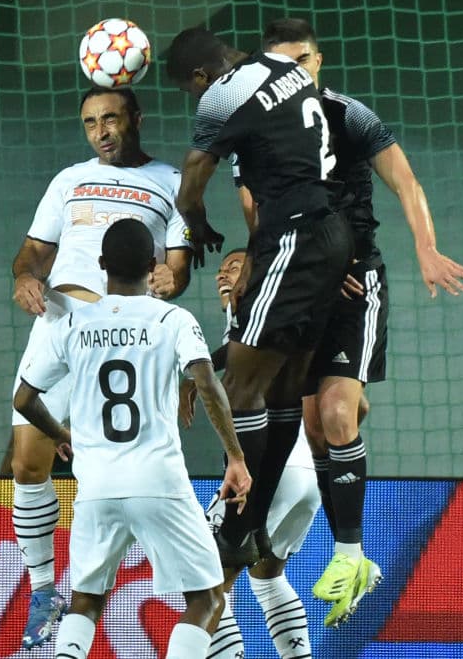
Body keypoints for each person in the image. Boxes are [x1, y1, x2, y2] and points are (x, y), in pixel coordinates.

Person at [256, 18, 463, 627]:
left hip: (358, 283)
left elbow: (405, 181)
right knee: (317, 422)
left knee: (332, 416)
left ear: (318, 62)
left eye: (303, 61)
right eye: (281, 64)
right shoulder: (260, 128)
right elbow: (254, 205)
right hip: (303, 286)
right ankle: (350, 417)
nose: (294, 73)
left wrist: (426, 249)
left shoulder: (349, 115)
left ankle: (352, 557)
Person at [0, 86, 193, 648]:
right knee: (27, 464)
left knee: (122, 473)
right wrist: (25, 278)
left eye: (111, 118)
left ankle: (187, 597)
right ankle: (43, 591)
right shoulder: (68, 180)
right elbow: (33, 251)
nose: (101, 131)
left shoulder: (172, 183)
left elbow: (177, 266)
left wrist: (170, 281)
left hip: (123, 336)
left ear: (136, 117)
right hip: (59, 323)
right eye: (90, 122)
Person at [13, 219, 251, 658]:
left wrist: (62, 434)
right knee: (207, 598)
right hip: (158, 482)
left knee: (86, 602)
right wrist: (235, 456)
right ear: (153, 264)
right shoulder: (172, 318)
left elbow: (25, 398)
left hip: (96, 487)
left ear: (102, 265)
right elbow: (207, 382)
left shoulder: (72, 324)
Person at [164, 27, 355, 575]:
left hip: (293, 234)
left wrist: (195, 225)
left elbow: (193, 179)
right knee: (286, 385)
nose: (194, 99)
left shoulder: (223, 91)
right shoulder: (288, 71)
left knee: (243, 382)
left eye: (189, 89)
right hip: (326, 229)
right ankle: (249, 525)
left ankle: (238, 513)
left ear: (201, 76)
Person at [180, 248, 321, 659]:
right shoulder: (247, 323)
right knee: (266, 576)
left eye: (235, 266)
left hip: (269, 473)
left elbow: (243, 354)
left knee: (207, 582)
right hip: (304, 474)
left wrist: (196, 373)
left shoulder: (259, 308)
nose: (224, 273)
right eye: (221, 268)